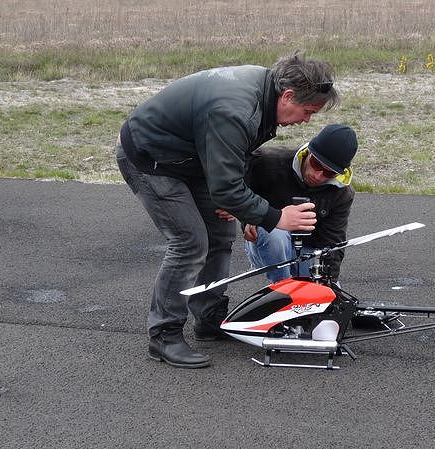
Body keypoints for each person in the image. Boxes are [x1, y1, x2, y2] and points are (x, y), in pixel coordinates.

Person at [115, 52, 340, 369]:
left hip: (194, 162)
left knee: (219, 233)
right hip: (151, 159)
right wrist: (275, 217)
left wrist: (246, 209)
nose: (307, 120)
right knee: (190, 242)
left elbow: (236, 160)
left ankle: (208, 318)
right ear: (288, 95)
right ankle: (163, 335)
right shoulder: (235, 109)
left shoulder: (265, 90)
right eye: (308, 111)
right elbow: (225, 188)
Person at [243, 124, 357, 282]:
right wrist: (249, 217)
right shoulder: (267, 162)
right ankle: (284, 289)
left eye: (329, 172)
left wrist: (328, 282)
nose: (318, 176)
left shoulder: (342, 194)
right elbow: (235, 191)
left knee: (329, 294)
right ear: (308, 152)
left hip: (308, 254)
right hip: (267, 247)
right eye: (316, 165)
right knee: (275, 234)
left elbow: (333, 244)